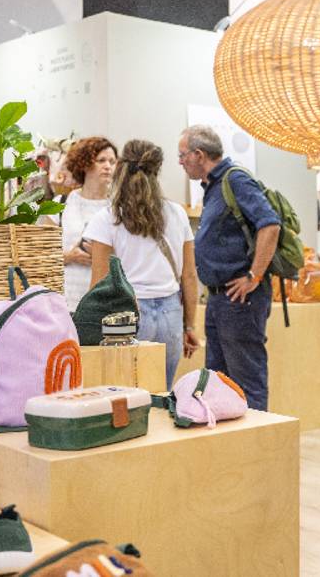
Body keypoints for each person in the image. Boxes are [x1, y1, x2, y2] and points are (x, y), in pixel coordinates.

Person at [178, 125, 279, 410]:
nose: (181, 161)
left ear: (199, 154)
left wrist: (254, 276)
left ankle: (257, 447)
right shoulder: (213, 187)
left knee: (246, 379)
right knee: (218, 380)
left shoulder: (235, 180)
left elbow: (269, 225)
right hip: (220, 298)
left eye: (183, 155)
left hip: (240, 298)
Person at [85, 140, 199, 390]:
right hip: (171, 314)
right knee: (163, 391)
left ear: (122, 167)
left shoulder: (108, 218)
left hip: (128, 314)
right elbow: (189, 276)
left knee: (127, 395)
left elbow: (100, 284)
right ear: (156, 171)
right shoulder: (177, 214)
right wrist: (190, 325)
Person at [60, 137, 117, 312]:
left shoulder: (118, 208)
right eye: (101, 160)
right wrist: (69, 256)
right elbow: (43, 255)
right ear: (84, 164)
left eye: (112, 161)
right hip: (65, 300)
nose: (108, 166)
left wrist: (104, 255)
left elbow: (131, 255)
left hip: (104, 301)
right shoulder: (61, 204)